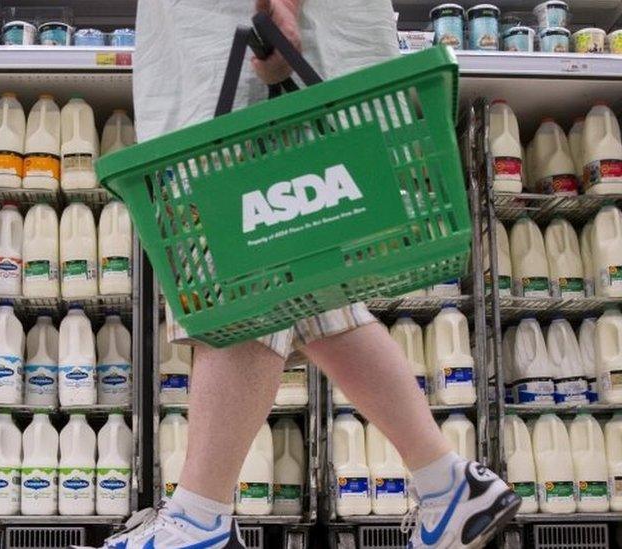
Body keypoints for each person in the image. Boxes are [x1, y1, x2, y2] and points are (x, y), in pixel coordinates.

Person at [84, 1, 522, 548]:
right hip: (237, 40)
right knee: (302, 287)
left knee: (238, 271)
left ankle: (198, 521)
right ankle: (447, 484)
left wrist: (280, 8)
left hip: (245, 37)